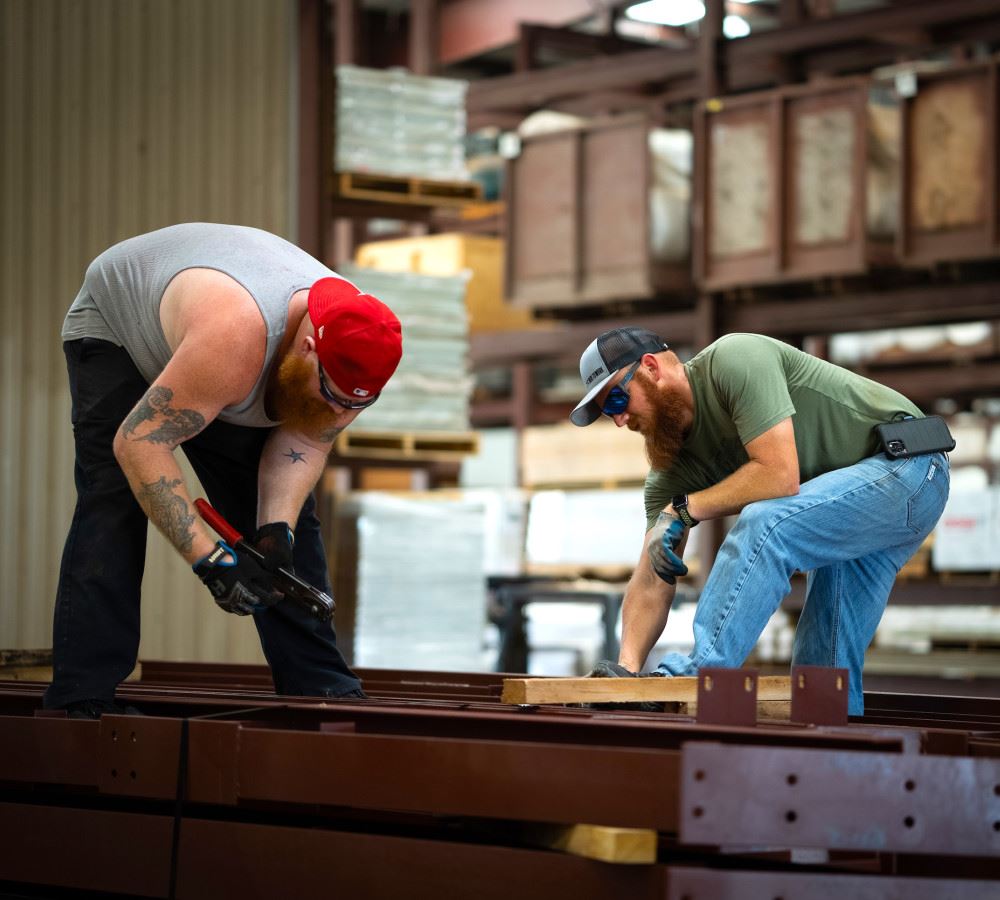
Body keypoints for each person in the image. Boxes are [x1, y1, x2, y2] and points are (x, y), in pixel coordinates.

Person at [44, 223, 403, 718]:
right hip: (120, 325)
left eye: (352, 406)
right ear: (308, 349)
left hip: (220, 349)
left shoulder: (356, 357)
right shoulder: (234, 340)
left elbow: (302, 439)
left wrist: (277, 532)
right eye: (333, 398)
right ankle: (82, 694)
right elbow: (138, 445)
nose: (338, 415)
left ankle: (318, 685)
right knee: (113, 500)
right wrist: (210, 560)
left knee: (292, 527)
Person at [570, 328, 950, 715]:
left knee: (764, 523)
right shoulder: (670, 475)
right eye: (606, 412)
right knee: (822, 683)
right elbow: (652, 578)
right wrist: (626, 673)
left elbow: (779, 476)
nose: (619, 419)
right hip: (849, 506)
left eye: (617, 398)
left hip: (908, 468)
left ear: (650, 367)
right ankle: (834, 749)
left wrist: (685, 509)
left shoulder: (734, 360)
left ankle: (697, 678)